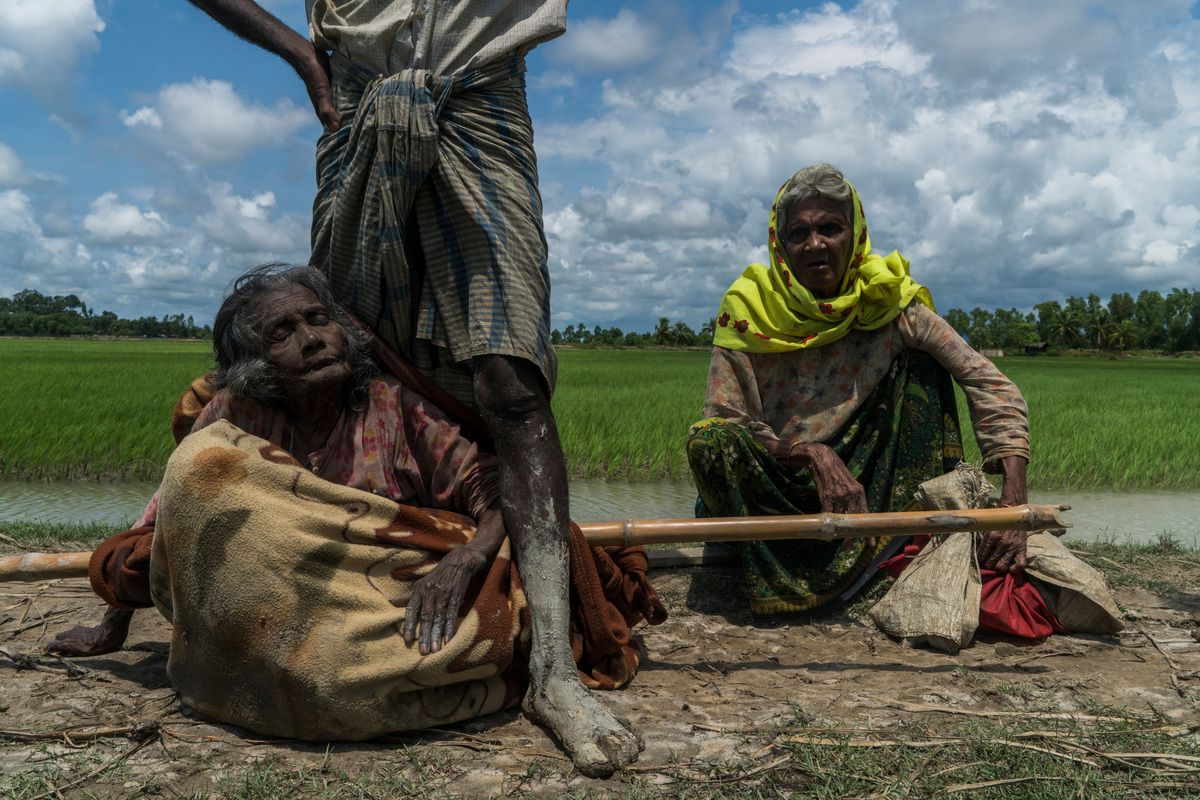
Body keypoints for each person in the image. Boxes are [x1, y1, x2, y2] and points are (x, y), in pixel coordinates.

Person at [177, 0, 640, 776]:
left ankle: (555, 673)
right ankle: (348, 581)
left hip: (482, 96)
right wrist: (300, 54)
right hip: (356, 96)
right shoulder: (242, 405)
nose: (300, 339)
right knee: (360, 355)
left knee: (512, 381)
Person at [48, 266, 665, 765]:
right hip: (280, 612)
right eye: (282, 332)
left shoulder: (395, 408)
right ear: (255, 363)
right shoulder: (236, 414)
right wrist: (113, 624)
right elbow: (171, 523)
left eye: (320, 320)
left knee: (474, 615)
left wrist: (465, 559)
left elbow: (501, 497)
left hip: (384, 601)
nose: (313, 338)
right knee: (202, 467)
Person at [688, 163, 1037, 624]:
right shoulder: (749, 308)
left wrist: (1014, 498)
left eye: (831, 228)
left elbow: (985, 379)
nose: (815, 244)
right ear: (781, 245)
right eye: (799, 233)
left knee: (922, 366)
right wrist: (810, 454)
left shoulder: (886, 299)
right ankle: (768, 548)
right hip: (778, 482)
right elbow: (726, 420)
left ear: (855, 236)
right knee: (708, 440)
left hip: (865, 488)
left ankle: (896, 536)